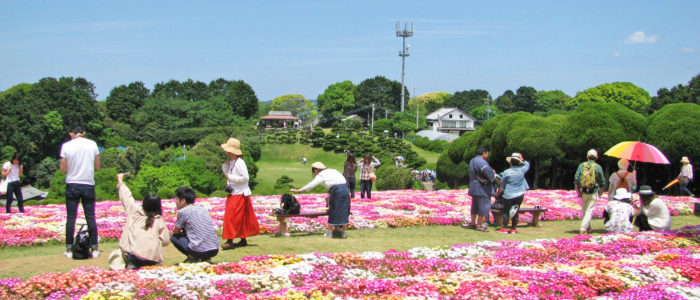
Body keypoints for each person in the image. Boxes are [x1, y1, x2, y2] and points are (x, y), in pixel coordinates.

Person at [60, 125, 101, 259]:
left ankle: (69, 249)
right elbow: (97, 166)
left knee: (71, 218)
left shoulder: (66, 146)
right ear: (84, 132)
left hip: (72, 183)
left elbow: (63, 168)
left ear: (72, 133)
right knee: (90, 217)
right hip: (88, 184)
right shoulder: (92, 144)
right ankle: (94, 248)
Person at [115, 173, 169, 269]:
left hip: (134, 256)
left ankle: (132, 265)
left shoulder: (135, 212)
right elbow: (165, 241)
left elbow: (126, 196)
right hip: (152, 258)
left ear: (143, 204)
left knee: (131, 251)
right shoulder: (159, 220)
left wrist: (120, 180)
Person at [291, 162, 350, 239]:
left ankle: (329, 233)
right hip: (345, 189)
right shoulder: (333, 170)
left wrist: (299, 190)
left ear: (315, 170)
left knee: (333, 210)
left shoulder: (321, 175)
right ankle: (343, 233)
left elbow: (312, 184)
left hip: (337, 191)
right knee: (344, 210)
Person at [220, 138, 260, 250]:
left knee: (231, 217)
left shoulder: (240, 162)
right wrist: (225, 167)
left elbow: (245, 178)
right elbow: (227, 173)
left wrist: (231, 177)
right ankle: (242, 239)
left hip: (239, 193)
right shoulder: (232, 161)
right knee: (241, 217)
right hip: (235, 192)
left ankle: (230, 240)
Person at [170, 186, 220, 263]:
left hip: (198, 250)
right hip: (214, 249)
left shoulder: (183, 211)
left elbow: (176, 231)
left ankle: (192, 257)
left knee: (174, 238)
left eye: (176, 199)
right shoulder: (203, 209)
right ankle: (206, 258)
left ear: (183, 201)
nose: (175, 202)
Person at [496, 153, 529, 234]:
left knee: (506, 211)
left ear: (510, 163)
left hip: (509, 194)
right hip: (520, 194)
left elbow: (502, 185)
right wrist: (522, 158)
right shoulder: (522, 170)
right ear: (519, 162)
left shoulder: (506, 172)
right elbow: (527, 164)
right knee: (515, 211)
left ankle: (505, 228)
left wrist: (497, 195)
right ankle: (513, 229)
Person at [574, 149, 605, 235]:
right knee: (589, 210)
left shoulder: (582, 165)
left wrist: (577, 189)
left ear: (587, 156)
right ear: (597, 157)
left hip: (583, 190)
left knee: (584, 210)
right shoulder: (597, 167)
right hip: (593, 191)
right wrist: (601, 192)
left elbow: (576, 178)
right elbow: (602, 181)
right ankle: (583, 228)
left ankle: (589, 227)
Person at [466, 145, 495, 232]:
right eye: (487, 153)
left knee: (474, 206)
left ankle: (472, 222)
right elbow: (490, 176)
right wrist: (493, 173)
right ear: (484, 153)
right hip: (482, 188)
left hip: (473, 186)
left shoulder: (472, 160)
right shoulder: (482, 162)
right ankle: (479, 224)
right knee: (483, 206)